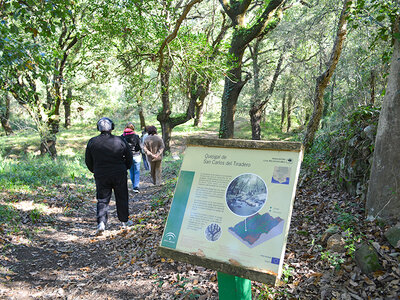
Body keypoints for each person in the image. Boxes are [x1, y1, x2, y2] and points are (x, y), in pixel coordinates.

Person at [85, 117, 134, 235]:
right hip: (119, 173)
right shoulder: (120, 140)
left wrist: (95, 170)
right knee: (122, 196)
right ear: (112, 127)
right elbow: (129, 158)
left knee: (102, 199)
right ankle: (124, 221)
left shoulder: (92, 142)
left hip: (101, 174)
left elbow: (88, 160)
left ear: (99, 128)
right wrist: (124, 168)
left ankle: (101, 223)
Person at [121, 122, 142, 193]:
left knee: (131, 171)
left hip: (127, 157)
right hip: (136, 155)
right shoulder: (136, 136)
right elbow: (139, 146)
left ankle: (134, 185)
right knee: (137, 171)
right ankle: (136, 186)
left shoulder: (122, 137)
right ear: (133, 128)